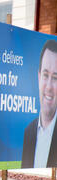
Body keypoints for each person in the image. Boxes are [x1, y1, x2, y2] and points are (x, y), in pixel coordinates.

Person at [22, 39, 57, 168]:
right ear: (38, 77)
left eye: (55, 78)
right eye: (45, 75)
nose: (48, 87)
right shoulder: (28, 132)